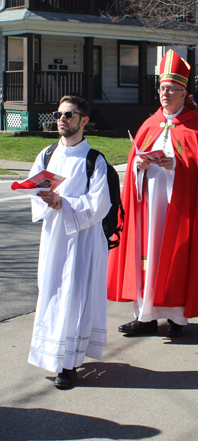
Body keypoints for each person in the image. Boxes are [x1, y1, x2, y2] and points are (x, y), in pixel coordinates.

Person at [107, 49, 198, 337]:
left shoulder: (196, 129)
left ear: (184, 93)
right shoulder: (149, 125)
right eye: (162, 88)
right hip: (147, 211)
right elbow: (133, 164)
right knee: (146, 257)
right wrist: (139, 166)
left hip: (179, 211)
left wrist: (177, 168)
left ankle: (176, 318)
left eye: (171, 89)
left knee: (175, 258)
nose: (165, 94)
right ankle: (145, 316)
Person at [27, 95, 111, 389]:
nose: (62, 119)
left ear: (83, 121)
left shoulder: (94, 160)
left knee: (75, 297)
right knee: (50, 292)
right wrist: (44, 199)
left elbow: (100, 204)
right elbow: (34, 190)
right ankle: (51, 354)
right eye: (59, 114)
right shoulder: (47, 154)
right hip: (53, 238)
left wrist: (64, 203)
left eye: (69, 115)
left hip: (83, 241)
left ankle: (69, 363)